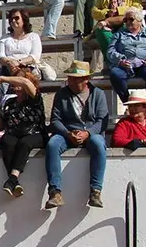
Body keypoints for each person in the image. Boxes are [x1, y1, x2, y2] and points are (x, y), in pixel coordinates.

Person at [46, 61, 110, 209]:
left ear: (86, 79)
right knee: (53, 144)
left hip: (90, 132)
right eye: (71, 78)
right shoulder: (61, 95)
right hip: (67, 132)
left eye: (76, 78)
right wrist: (67, 133)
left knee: (99, 144)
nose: (72, 81)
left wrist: (88, 133)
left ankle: (96, 190)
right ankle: (55, 191)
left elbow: (102, 121)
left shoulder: (98, 94)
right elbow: (55, 119)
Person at [0, 70, 45, 197]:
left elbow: (25, 81)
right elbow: (0, 126)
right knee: (7, 141)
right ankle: (14, 181)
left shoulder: (34, 98)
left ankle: (12, 178)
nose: (14, 83)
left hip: (34, 132)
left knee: (25, 143)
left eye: (16, 80)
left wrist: (2, 78)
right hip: (14, 133)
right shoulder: (10, 102)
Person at [106, 9, 146, 103]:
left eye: (131, 19)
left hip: (145, 64)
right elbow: (110, 51)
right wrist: (121, 60)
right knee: (115, 74)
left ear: (140, 20)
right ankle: (127, 102)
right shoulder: (119, 35)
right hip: (126, 65)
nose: (128, 22)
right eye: (125, 20)